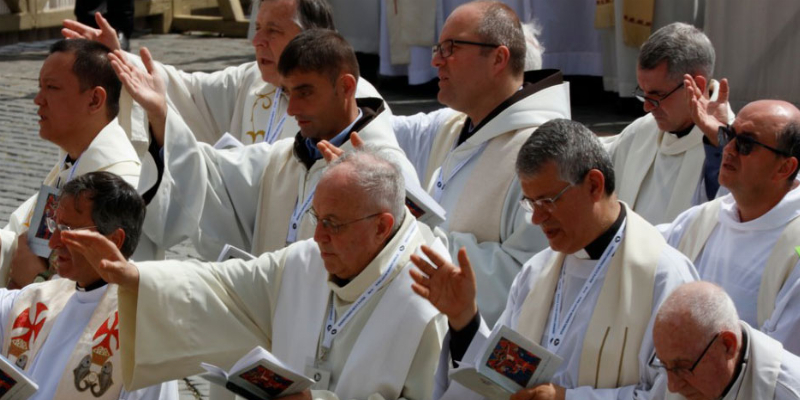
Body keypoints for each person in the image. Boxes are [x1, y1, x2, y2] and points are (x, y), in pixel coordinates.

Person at [63, 150, 447, 400]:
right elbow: (224, 287)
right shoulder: (305, 262)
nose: (318, 237)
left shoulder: (421, 304)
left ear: (382, 226)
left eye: (333, 224)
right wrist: (136, 277)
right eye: (316, 218)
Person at [411, 119, 697, 399]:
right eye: (530, 203)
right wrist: (465, 319)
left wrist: (569, 398)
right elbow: (497, 378)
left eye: (547, 202)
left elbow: (679, 392)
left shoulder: (663, 277)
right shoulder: (537, 272)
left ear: (594, 185)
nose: (536, 219)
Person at [111, 28, 417, 262]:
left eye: (305, 93)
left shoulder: (386, 170)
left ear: (347, 87)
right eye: (286, 93)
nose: (292, 109)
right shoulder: (285, 156)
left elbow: (410, 256)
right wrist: (161, 117)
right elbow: (210, 174)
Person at [392, 1, 571, 326]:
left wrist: (411, 237)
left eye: (450, 49)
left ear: (499, 59)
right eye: (437, 48)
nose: (435, 61)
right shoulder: (459, 124)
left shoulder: (544, 152)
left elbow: (531, 275)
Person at [62, 0, 386, 149]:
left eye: (272, 30)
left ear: (311, 35)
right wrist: (119, 58)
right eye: (257, 29)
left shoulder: (355, 99)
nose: (257, 41)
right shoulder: (250, 81)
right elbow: (186, 91)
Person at [0, 171, 177, 400]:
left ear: (113, 241)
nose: (53, 243)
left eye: (69, 232)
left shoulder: (145, 334)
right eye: (56, 226)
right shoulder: (34, 300)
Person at [0, 39, 144, 289]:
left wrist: (33, 282)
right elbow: (19, 238)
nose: (38, 100)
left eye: (52, 88)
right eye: (40, 87)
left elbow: (110, 294)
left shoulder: (125, 184)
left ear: (94, 100)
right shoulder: (70, 165)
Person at [660, 100, 800, 355]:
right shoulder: (704, 218)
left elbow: (781, 361)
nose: (728, 149)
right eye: (729, 135)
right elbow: (640, 249)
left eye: (746, 144)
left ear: (785, 168)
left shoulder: (795, 248)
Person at [604, 22, 734, 225]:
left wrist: (720, 143)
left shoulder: (734, 147)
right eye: (643, 93)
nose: (647, 107)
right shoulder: (642, 131)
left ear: (697, 86)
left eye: (657, 95)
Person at [652, 281, 800, 399]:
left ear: (728, 345)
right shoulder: (676, 368)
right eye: (664, 365)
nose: (672, 386)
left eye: (683, 368)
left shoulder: (789, 393)